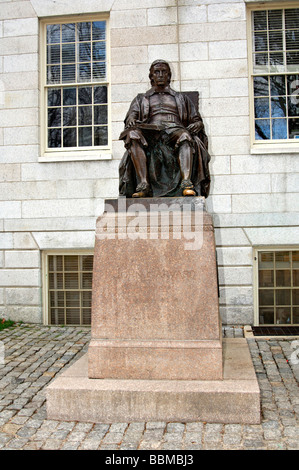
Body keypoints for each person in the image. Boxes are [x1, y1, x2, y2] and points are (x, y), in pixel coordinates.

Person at [119, 60, 210, 198]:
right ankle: (143, 184)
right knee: (132, 134)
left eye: (164, 72)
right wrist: (131, 120)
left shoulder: (181, 98)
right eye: (157, 72)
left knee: (185, 136)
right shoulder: (141, 98)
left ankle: (186, 183)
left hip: (175, 130)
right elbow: (132, 116)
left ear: (169, 76)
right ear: (151, 76)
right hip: (150, 132)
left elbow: (196, 119)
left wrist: (198, 124)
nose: (160, 75)